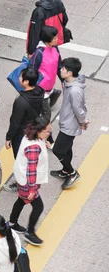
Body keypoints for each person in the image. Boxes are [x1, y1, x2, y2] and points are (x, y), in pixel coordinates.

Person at [8, 117, 51, 246]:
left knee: (21, 200)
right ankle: (30, 233)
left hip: (22, 179)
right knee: (38, 207)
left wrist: (45, 143)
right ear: (39, 131)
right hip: (28, 182)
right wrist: (32, 189)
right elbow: (31, 170)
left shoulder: (29, 136)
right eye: (47, 131)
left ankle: (12, 223)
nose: (49, 133)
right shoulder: (33, 148)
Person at [51, 57, 87, 189]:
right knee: (67, 148)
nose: (61, 70)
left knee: (58, 150)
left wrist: (83, 121)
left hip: (70, 125)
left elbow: (79, 109)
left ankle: (72, 172)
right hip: (67, 121)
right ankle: (65, 171)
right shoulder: (69, 83)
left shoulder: (74, 90)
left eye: (63, 69)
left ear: (70, 72)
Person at [29, 25, 62, 120]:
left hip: (49, 86)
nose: (57, 39)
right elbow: (32, 71)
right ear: (48, 40)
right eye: (55, 37)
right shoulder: (39, 53)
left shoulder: (55, 48)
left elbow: (59, 65)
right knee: (46, 116)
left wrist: (63, 81)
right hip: (40, 90)